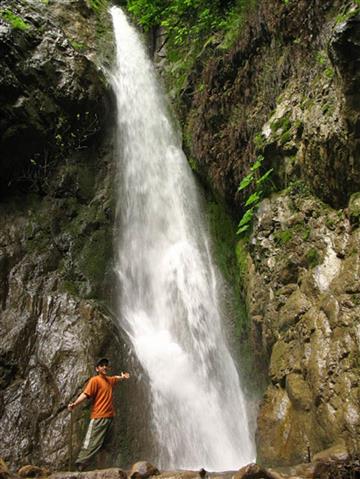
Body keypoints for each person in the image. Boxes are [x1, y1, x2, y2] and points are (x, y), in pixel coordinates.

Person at [68, 357, 130, 471]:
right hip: (98, 418)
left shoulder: (109, 380)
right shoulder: (95, 380)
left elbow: (115, 378)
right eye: (102, 365)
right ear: (97, 369)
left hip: (110, 418)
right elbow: (86, 394)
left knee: (105, 446)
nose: (105, 367)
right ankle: (80, 466)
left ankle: (103, 470)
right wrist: (75, 404)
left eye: (106, 365)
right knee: (91, 444)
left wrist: (122, 377)